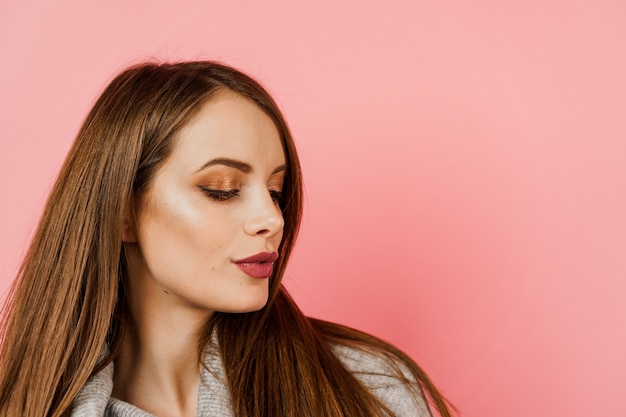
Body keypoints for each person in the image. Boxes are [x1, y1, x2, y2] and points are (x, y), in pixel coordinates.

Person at [0, 61, 453, 417]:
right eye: (222, 189)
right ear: (122, 211)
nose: (271, 219)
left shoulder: (368, 387)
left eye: (276, 191)